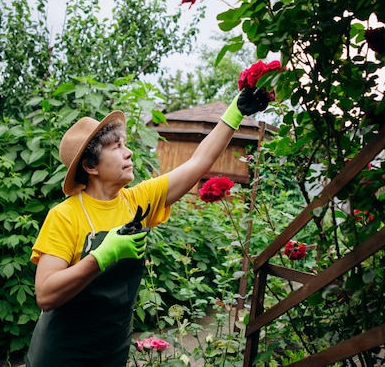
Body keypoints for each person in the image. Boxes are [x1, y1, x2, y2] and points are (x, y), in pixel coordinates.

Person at [25, 86, 271, 366]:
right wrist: (102, 256)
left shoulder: (137, 202)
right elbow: (45, 294)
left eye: (124, 144)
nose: (128, 153)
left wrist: (235, 111)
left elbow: (199, 162)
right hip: (61, 355)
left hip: (111, 352)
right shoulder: (65, 216)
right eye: (116, 148)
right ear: (91, 166)